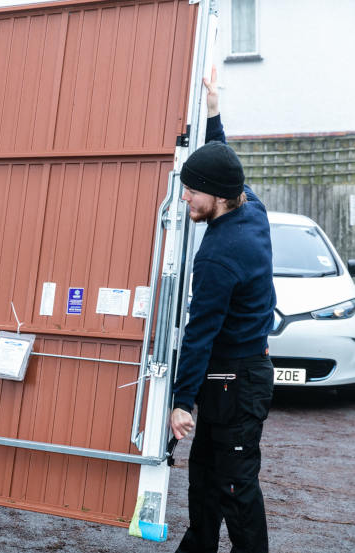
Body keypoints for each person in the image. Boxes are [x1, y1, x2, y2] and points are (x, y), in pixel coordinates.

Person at [170, 68, 276, 552]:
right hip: (231, 377)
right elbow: (224, 162)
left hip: (236, 380)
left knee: (234, 489)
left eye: (192, 190)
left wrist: (181, 401)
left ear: (215, 194)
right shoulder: (248, 204)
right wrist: (214, 114)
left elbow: (200, 333)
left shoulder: (218, 256)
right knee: (205, 481)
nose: (186, 196)